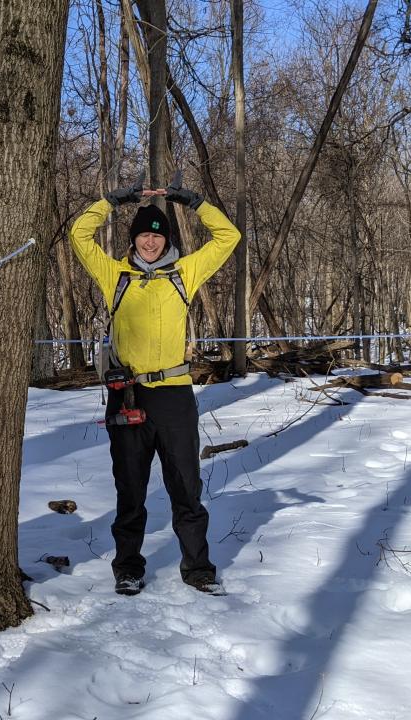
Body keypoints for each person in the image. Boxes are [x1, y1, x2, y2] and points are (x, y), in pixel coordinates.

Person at [68, 174, 241, 596]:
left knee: (185, 485)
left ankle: (198, 568)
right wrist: (111, 199)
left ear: (166, 241)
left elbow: (228, 235)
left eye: (157, 236)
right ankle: (128, 567)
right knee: (130, 487)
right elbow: (79, 233)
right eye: (143, 235)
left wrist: (192, 200)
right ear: (133, 239)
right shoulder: (116, 277)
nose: (150, 243)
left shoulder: (185, 273)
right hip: (126, 394)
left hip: (174, 395)